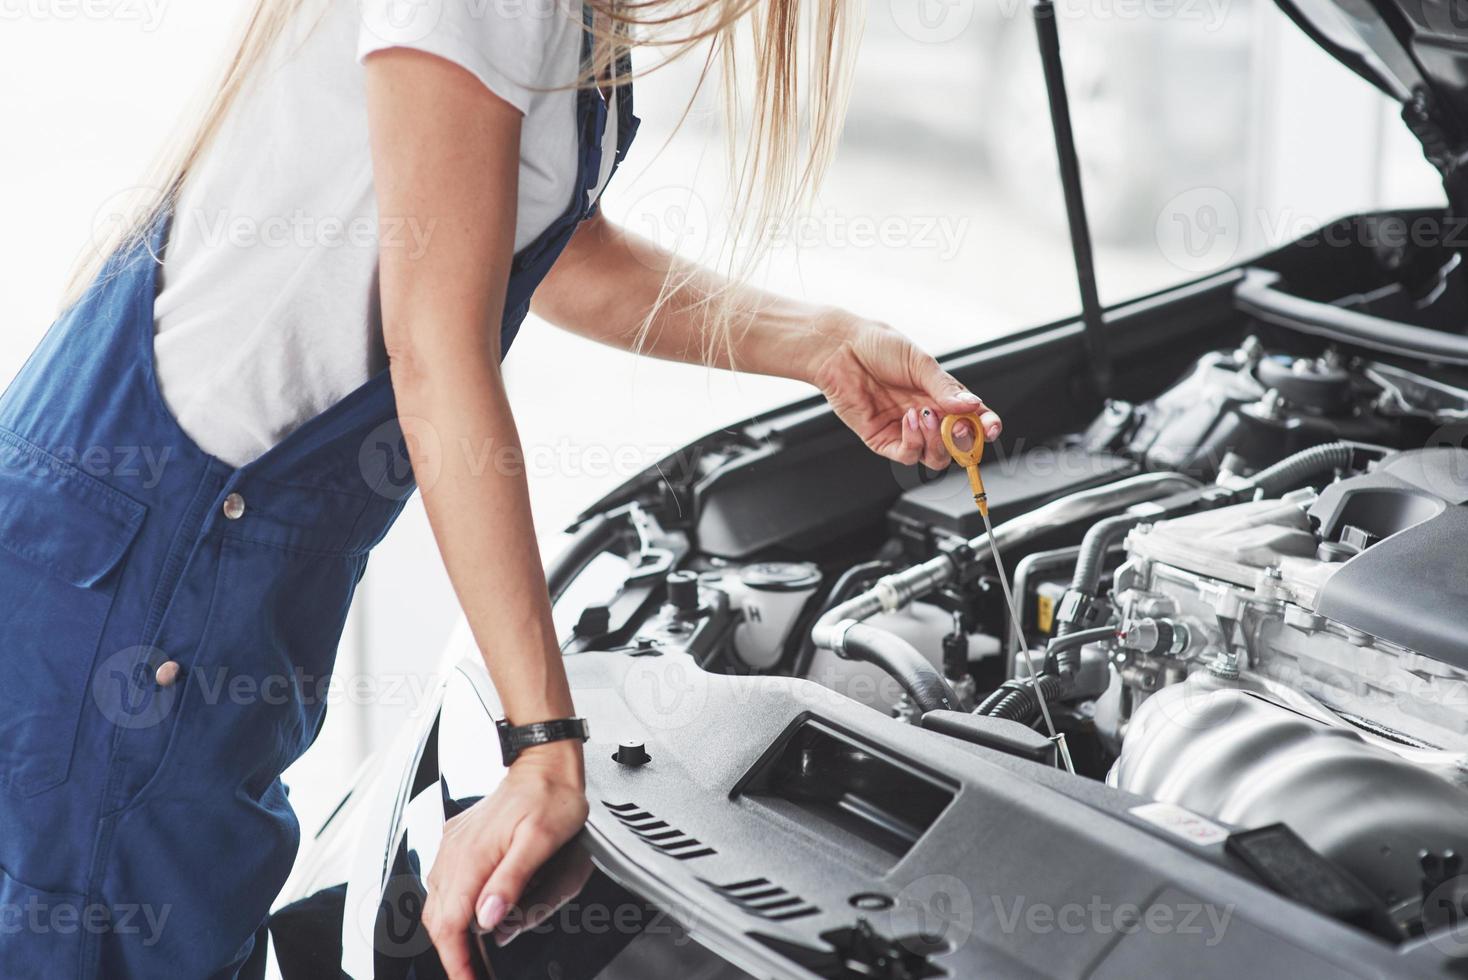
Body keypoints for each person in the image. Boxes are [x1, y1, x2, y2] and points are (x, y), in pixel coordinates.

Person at [0, 0, 1002, 976]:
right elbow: (436, 345)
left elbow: (544, 254)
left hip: (211, 558)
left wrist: (825, 345)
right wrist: (544, 745)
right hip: (136, 566)